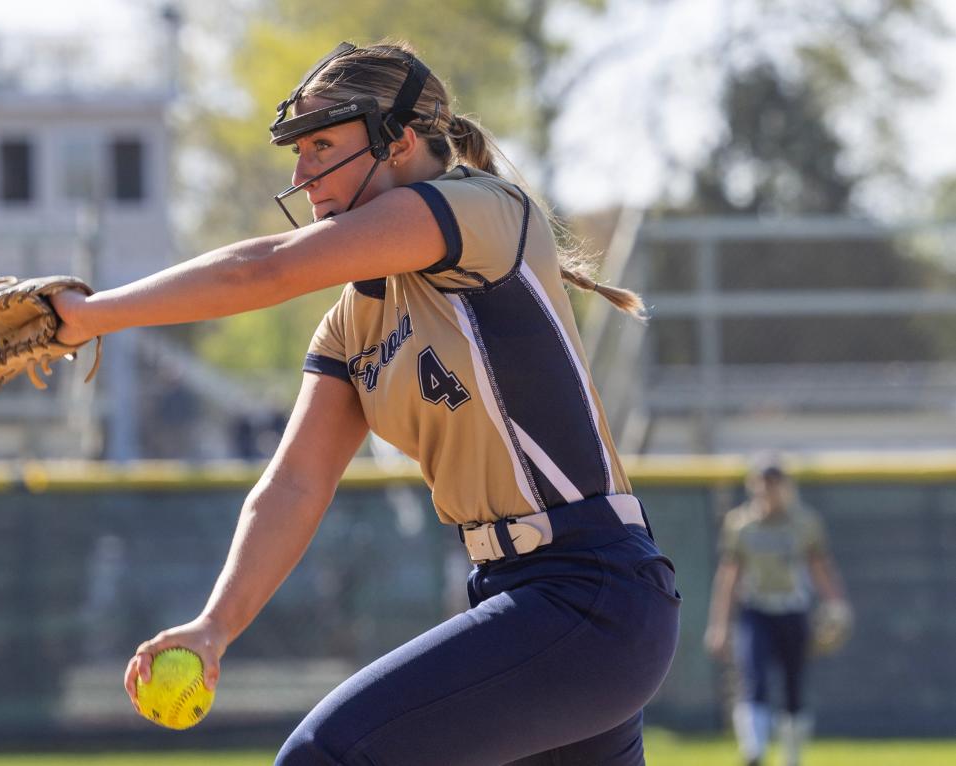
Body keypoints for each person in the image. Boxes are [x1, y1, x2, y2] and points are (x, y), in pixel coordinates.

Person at [51, 40, 680, 765]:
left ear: (400, 142)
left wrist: (87, 314)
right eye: (299, 148)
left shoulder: (481, 210)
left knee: (325, 757)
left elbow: (265, 269)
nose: (300, 171)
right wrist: (215, 624)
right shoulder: (355, 322)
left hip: (585, 593)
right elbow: (293, 483)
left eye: (322, 144)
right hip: (529, 604)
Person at [704, 455, 851, 766]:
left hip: (792, 610)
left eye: (773, 485)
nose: (767, 492)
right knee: (753, 679)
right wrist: (719, 625)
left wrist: (836, 602)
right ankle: (754, 753)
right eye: (762, 485)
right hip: (756, 610)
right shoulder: (741, 524)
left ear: (785, 487)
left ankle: (792, 757)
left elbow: (820, 566)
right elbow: (729, 575)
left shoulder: (804, 522)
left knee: (793, 686)